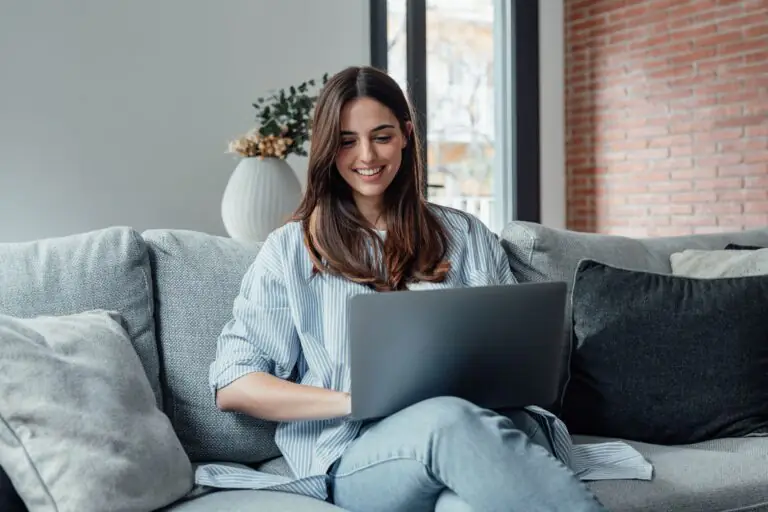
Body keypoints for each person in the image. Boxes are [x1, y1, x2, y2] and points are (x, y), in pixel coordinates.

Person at [196, 66, 652, 511]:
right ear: (326, 148)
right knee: (446, 419)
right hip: (362, 454)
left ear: (407, 135)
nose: (367, 157)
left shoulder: (466, 234)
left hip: (489, 429)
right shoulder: (291, 250)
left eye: (382, 136)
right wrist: (356, 401)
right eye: (347, 141)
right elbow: (235, 385)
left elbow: (517, 356)